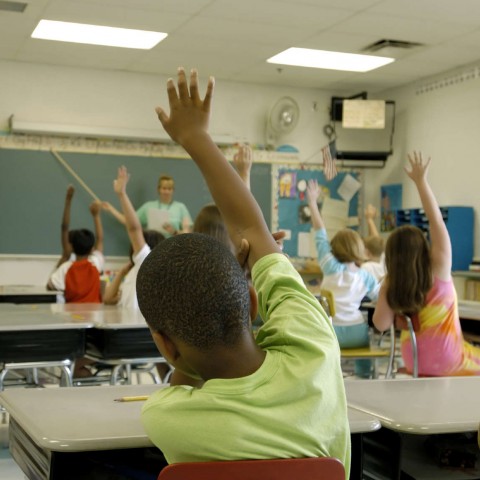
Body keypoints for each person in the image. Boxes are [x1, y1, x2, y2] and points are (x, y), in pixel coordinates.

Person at [136, 68, 350, 474]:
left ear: (166, 346)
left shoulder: (166, 418)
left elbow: (182, 376)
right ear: (251, 301)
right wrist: (196, 138)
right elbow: (253, 228)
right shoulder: (314, 345)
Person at [373, 152, 480, 376]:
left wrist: (387, 290)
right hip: (450, 359)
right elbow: (436, 220)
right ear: (423, 246)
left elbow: (381, 325)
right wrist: (421, 182)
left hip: (415, 362)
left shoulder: (392, 283)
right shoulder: (439, 267)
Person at [306, 179, 379, 377]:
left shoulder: (330, 266)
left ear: (335, 249)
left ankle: (329, 379)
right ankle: (364, 378)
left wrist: (313, 202)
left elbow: (320, 234)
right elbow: (379, 299)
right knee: (365, 357)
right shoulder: (366, 276)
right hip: (357, 332)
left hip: (331, 331)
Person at [102, 167, 165, 309]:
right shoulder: (134, 271)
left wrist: (122, 194)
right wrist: (122, 273)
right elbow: (108, 298)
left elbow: (134, 229)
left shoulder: (148, 263)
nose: (134, 247)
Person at [47, 187, 105, 303]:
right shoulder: (96, 263)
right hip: (95, 316)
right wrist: (96, 215)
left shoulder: (65, 268)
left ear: (71, 246)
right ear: (91, 250)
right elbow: (100, 239)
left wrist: (68, 200)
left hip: (72, 318)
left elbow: (50, 286)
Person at [105, 173, 192, 237]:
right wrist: (111, 209)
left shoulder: (181, 207)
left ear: (173, 190)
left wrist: (174, 232)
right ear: (159, 189)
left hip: (174, 247)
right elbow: (129, 221)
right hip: (153, 248)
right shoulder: (149, 206)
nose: (166, 192)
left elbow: (187, 232)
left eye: (169, 189)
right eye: (164, 188)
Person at [361, 204, 386, 282]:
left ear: (367, 253)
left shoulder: (366, 267)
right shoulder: (384, 261)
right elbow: (376, 240)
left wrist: (369, 219)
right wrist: (370, 219)